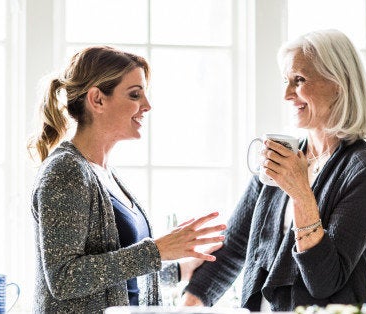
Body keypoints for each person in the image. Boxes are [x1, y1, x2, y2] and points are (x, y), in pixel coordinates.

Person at [182, 29, 366, 311]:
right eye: (285, 81)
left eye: (299, 80)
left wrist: (301, 194)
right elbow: (232, 250)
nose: (287, 94)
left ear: (338, 83)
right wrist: (187, 306)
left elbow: (325, 282)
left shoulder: (365, 172)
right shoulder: (281, 159)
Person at [28, 46, 226, 313]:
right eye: (135, 95)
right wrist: (157, 251)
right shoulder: (65, 171)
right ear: (97, 99)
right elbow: (65, 278)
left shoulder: (106, 174)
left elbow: (122, 277)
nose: (147, 106)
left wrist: (179, 267)